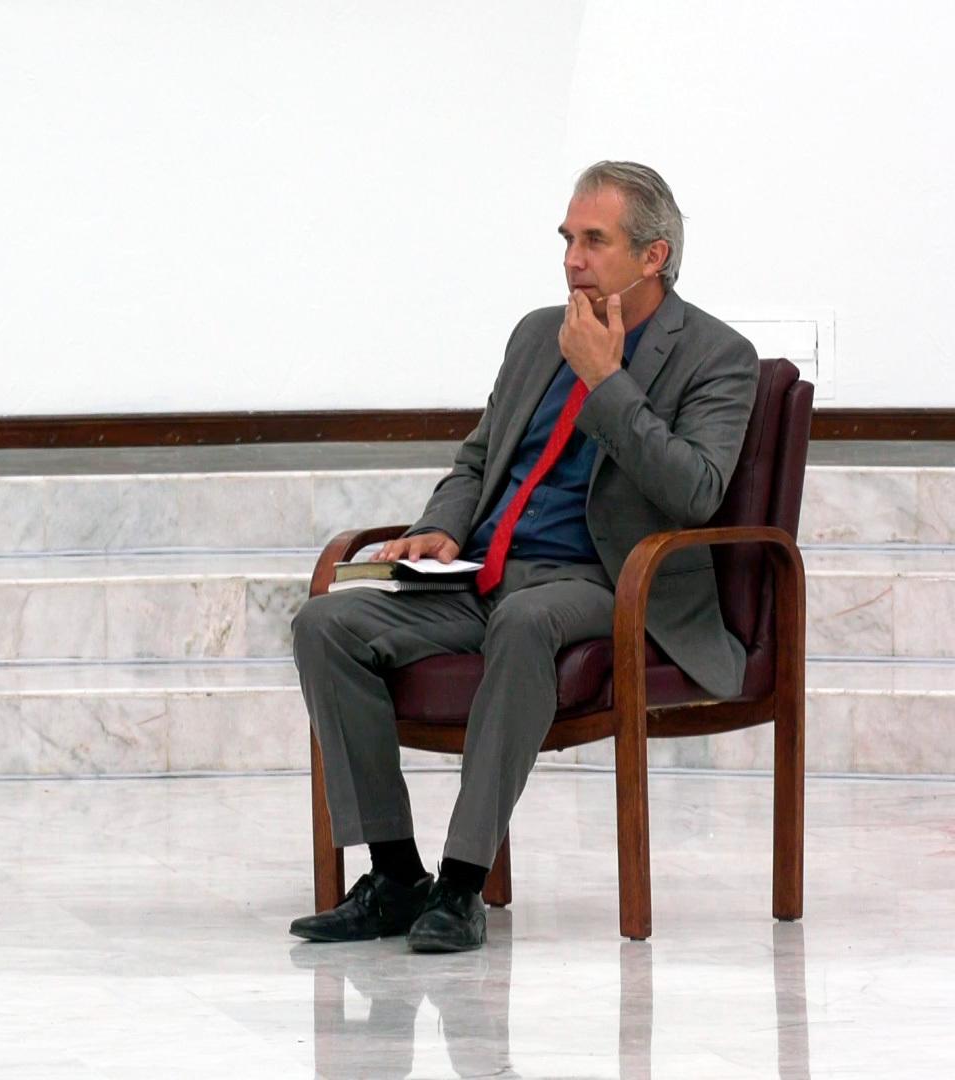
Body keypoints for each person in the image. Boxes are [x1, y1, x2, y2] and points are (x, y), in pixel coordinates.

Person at [289, 162, 758, 952]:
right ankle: (397, 876)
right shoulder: (538, 332)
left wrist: (606, 380)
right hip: (486, 572)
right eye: (567, 238)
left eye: (594, 240)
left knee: (527, 620)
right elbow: (479, 458)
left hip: (607, 582)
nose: (572, 258)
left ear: (654, 256)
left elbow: (697, 492)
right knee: (324, 624)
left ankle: (462, 886)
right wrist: (442, 528)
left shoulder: (716, 356)